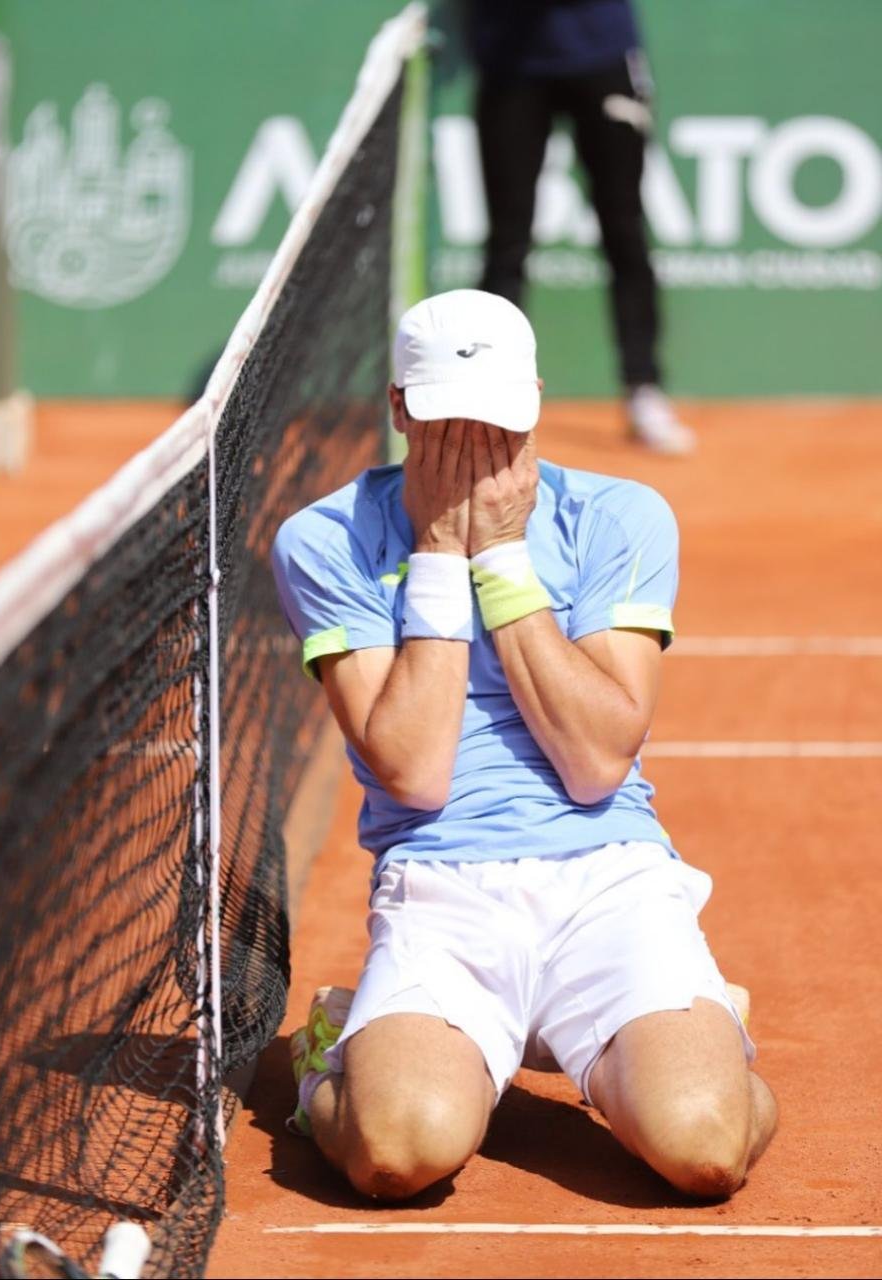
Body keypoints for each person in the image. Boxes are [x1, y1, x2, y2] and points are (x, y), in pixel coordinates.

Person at [271, 289, 776, 1203]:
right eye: (442, 420)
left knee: (705, 1147)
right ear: (397, 409)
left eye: (497, 418)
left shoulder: (619, 516)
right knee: (396, 1154)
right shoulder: (325, 539)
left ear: (536, 400)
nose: (473, 443)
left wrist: (502, 560)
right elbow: (417, 775)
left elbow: (595, 764)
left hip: (608, 879)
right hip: (441, 883)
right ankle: (335, 1056)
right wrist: (434, 552)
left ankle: (694, 1032)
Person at [466, 0, 695, 454]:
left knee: (624, 230)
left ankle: (643, 389)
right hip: (509, 65)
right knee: (507, 241)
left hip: (602, 58)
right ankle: (483, 400)